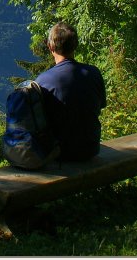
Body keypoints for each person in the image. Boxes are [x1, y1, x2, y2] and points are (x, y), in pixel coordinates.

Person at [34, 21, 106, 161]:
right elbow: (99, 107)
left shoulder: (43, 81)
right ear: (76, 45)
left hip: (59, 154)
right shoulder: (93, 73)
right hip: (91, 148)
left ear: (50, 46)